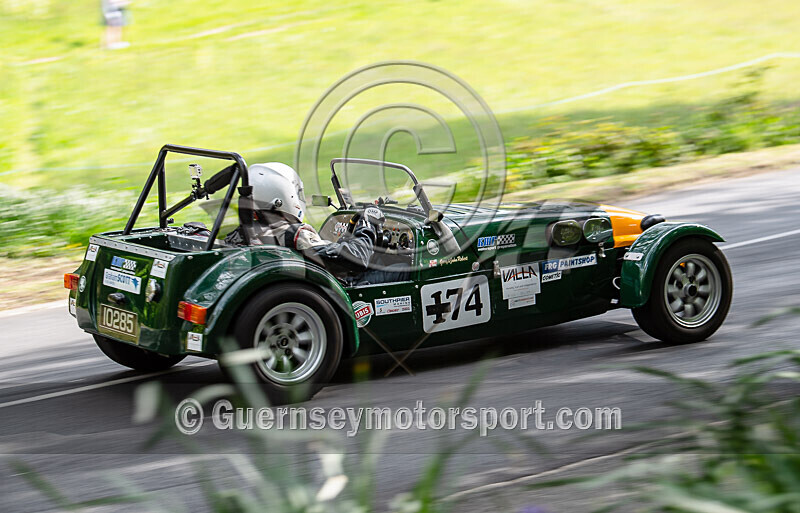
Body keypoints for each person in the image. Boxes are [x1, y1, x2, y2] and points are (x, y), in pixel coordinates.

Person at [224, 163, 387, 279]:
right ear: (284, 196)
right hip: (327, 290)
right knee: (395, 271)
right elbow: (356, 258)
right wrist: (367, 224)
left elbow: (330, 255)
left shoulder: (242, 234)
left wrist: (345, 239)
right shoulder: (294, 235)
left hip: (279, 284)